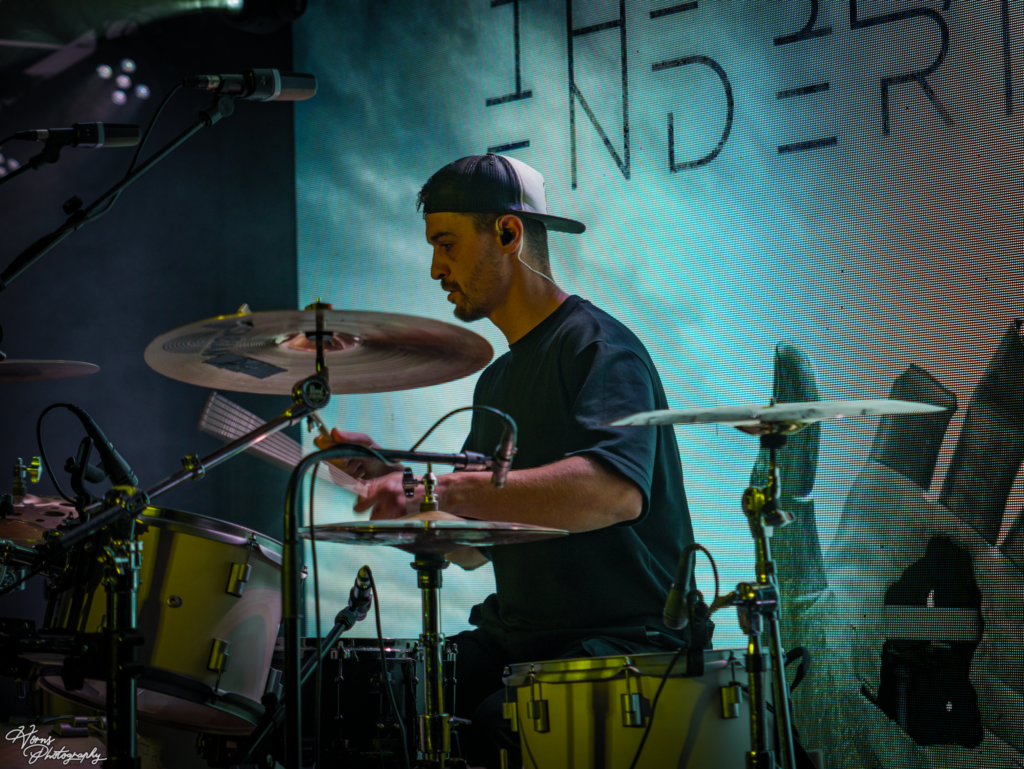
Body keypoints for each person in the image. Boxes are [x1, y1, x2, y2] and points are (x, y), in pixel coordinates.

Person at [316, 153, 698, 768]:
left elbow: (615, 492)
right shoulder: (495, 382)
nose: (435, 268)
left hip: (627, 643)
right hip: (522, 641)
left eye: (445, 244)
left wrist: (434, 490)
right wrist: (390, 483)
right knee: (381, 700)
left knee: (497, 725)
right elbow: (476, 548)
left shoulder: (600, 348)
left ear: (507, 233)